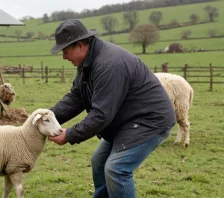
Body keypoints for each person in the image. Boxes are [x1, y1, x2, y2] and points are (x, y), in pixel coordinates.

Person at [48, 19, 176, 198]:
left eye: (65, 51)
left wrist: (70, 134)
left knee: (117, 169)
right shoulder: (88, 62)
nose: (64, 57)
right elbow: (76, 97)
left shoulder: (109, 65)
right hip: (127, 119)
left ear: (80, 45)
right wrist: (47, 118)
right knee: (99, 162)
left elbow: (101, 115)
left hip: (149, 120)